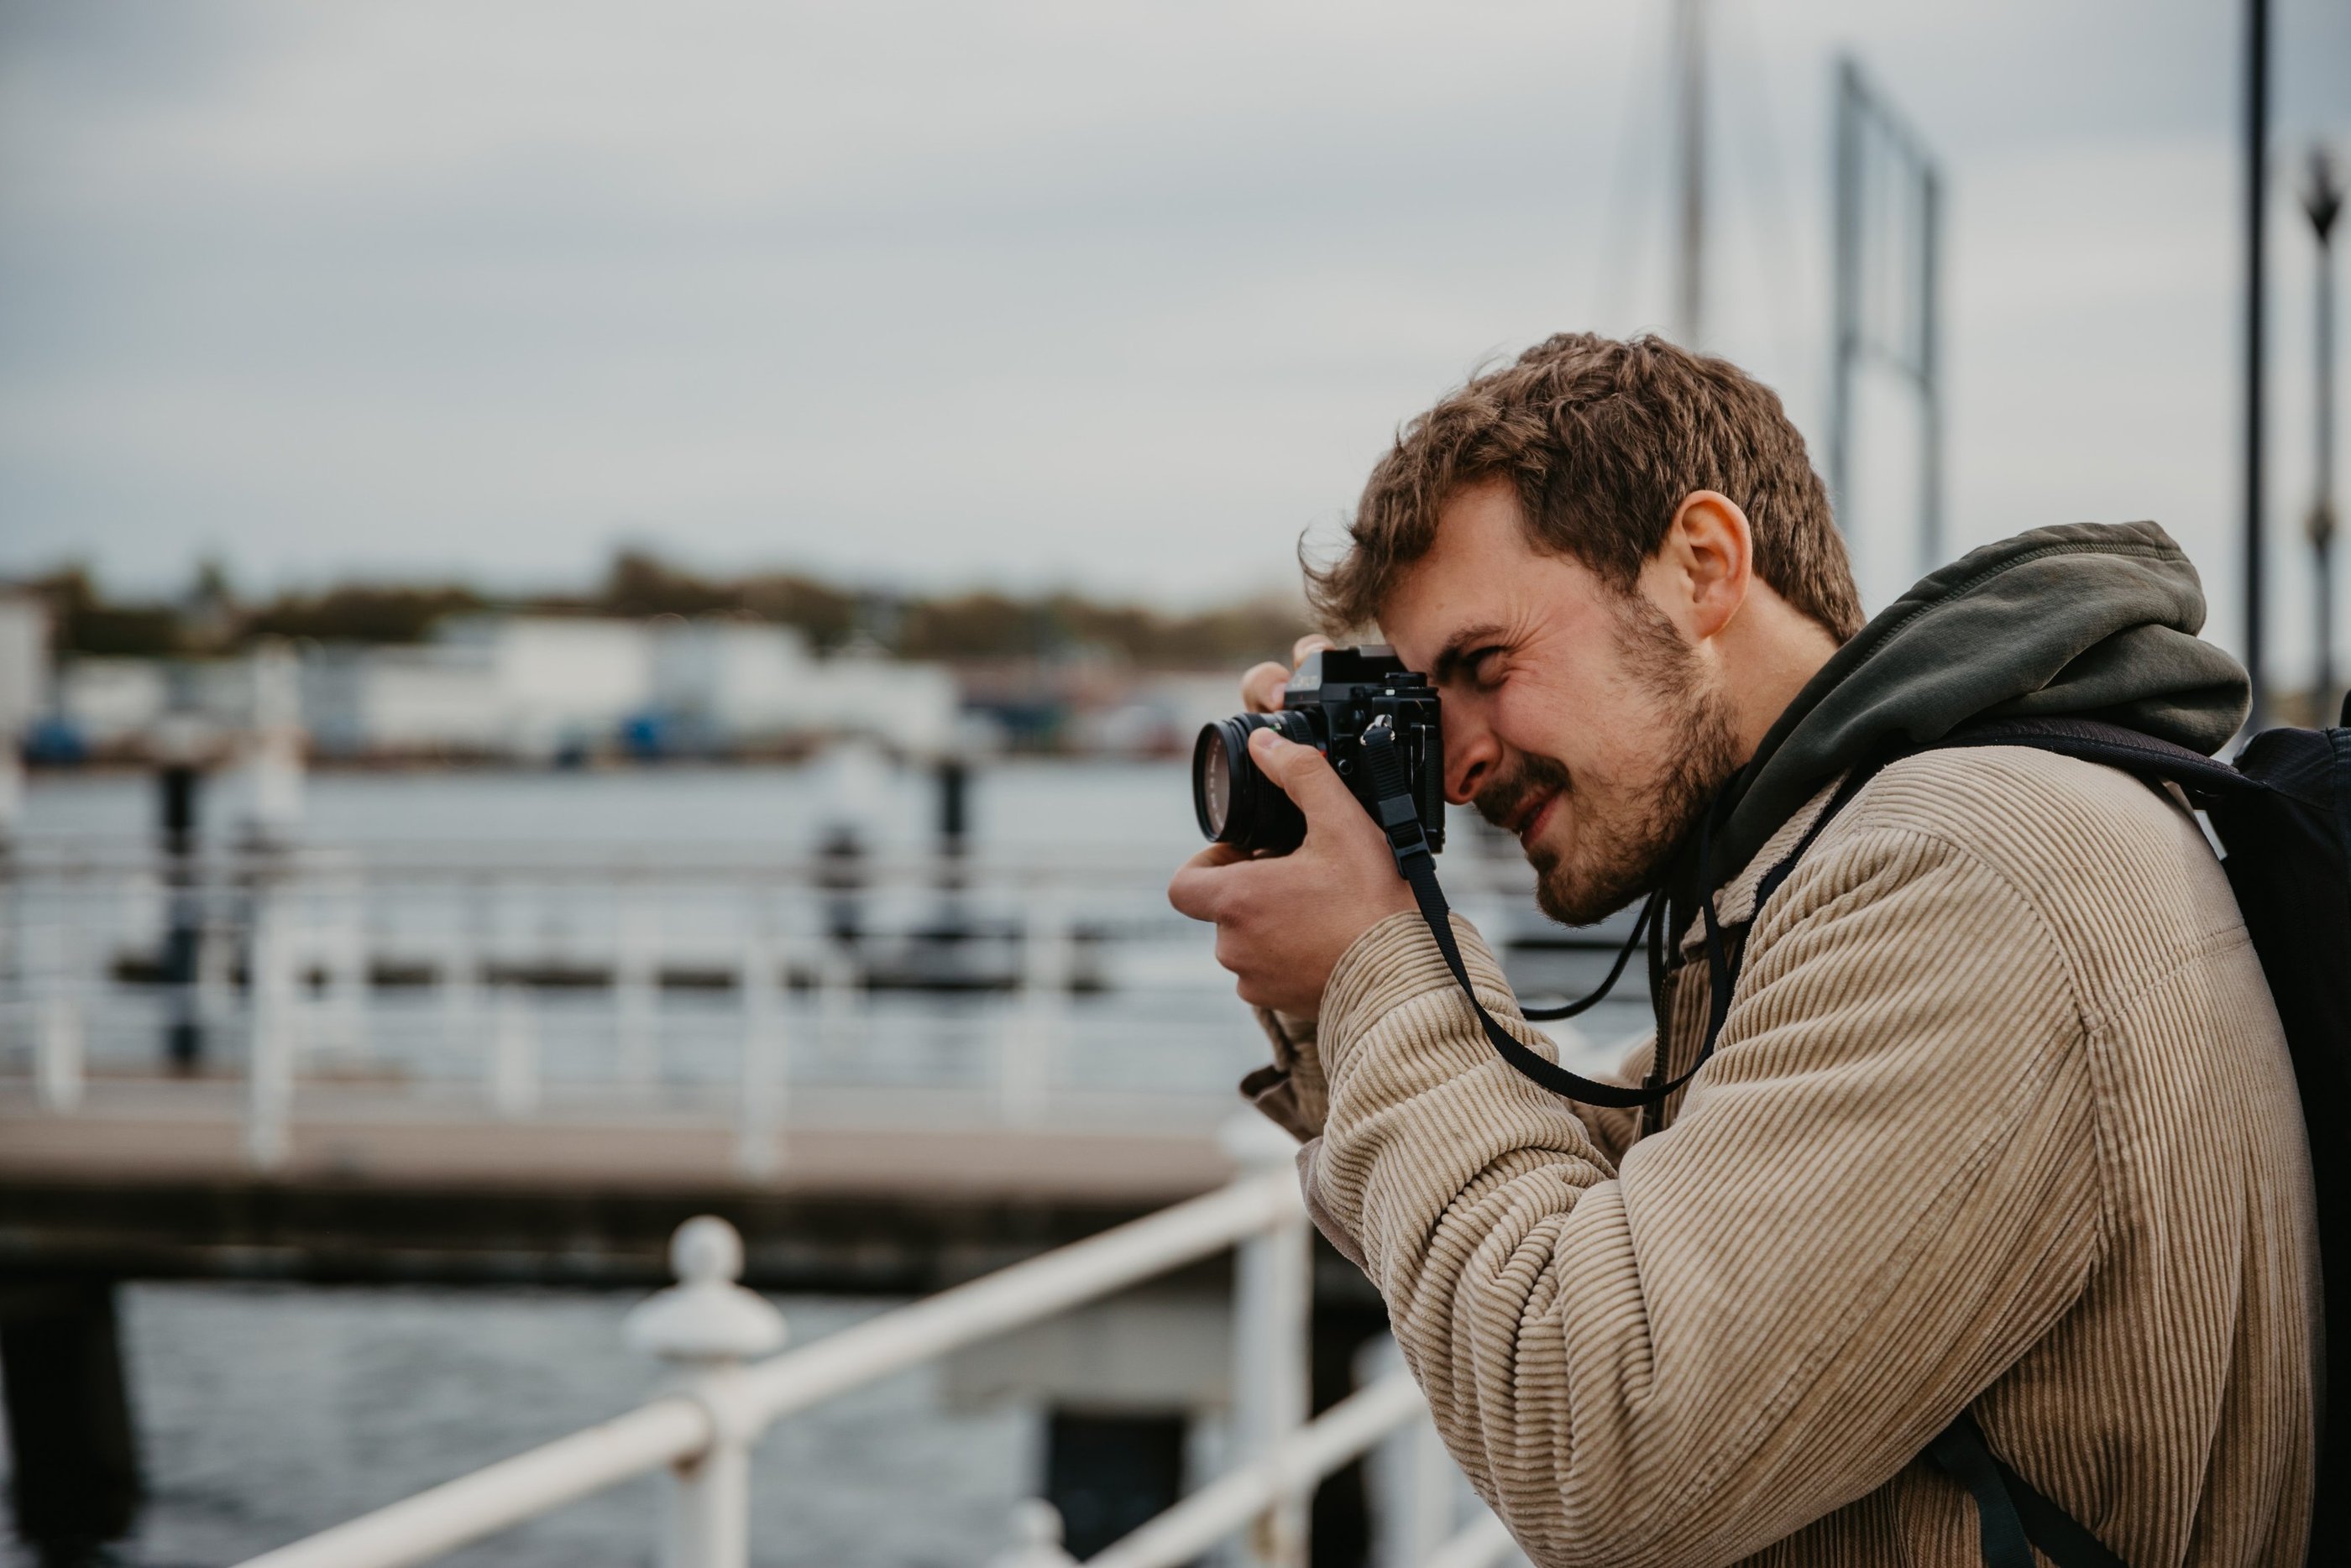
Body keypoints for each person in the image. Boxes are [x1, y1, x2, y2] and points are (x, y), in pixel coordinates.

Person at [1167, 333, 2316, 1565]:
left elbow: (1596, 1434)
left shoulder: (1964, 871)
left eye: (1485, 667)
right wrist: (1337, 967)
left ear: (1702, 567)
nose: (1457, 763)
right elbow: (1576, 1231)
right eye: (1422, 704)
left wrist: (1376, 967)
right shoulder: (1811, 873)